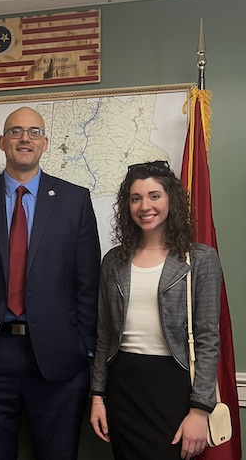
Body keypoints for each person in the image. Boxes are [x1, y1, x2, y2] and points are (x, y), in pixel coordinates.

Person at [0, 106, 101, 460]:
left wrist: (83, 348)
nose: (24, 138)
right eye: (15, 131)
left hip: (59, 360)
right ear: (2, 142)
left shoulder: (75, 201)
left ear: (45, 143)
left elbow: (88, 282)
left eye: (32, 132)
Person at [89, 160, 222, 460]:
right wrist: (98, 397)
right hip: (123, 387)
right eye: (135, 198)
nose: (144, 206)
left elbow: (208, 339)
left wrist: (200, 410)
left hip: (173, 389)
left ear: (170, 199)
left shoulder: (200, 259)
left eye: (154, 196)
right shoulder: (113, 261)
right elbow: (104, 334)